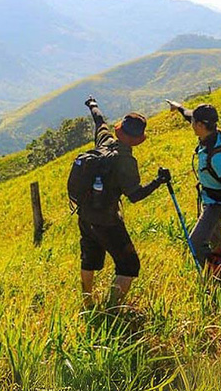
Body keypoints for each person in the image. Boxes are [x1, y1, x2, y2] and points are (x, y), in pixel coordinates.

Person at [79, 96, 171, 310]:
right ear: (138, 139)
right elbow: (135, 195)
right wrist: (159, 181)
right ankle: (111, 309)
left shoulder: (104, 141)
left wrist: (93, 104)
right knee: (129, 265)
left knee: (89, 258)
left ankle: (87, 302)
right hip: (107, 220)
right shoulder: (126, 161)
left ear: (118, 129)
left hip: (85, 214)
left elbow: (99, 121)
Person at [168, 101, 221, 266]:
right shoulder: (211, 134)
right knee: (217, 242)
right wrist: (177, 106)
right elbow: (188, 115)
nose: (191, 124)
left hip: (216, 205)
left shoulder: (217, 157)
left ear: (200, 125)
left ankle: (212, 278)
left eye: (193, 122)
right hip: (209, 200)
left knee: (195, 244)